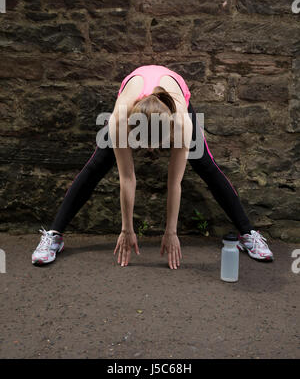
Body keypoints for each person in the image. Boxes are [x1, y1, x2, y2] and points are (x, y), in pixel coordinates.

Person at [32, 64, 274, 269]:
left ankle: (248, 235)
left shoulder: (181, 123)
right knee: (96, 165)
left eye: (155, 145)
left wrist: (171, 232)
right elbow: (127, 179)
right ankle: (54, 236)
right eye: (143, 145)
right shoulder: (120, 120)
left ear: (168, 134)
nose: (149, 152)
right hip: (137, 103)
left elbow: (174, 182)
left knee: (206, 166)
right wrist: (127, 229)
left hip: (168, 104)